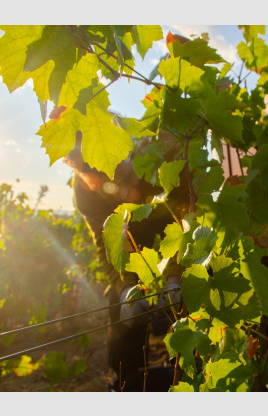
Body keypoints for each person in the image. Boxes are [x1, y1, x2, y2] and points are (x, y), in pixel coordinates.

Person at [62, 121, 187, 392]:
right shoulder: (86, 193)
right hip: (133, 233)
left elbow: (189, 215)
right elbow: (107, 247)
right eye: (105, 186)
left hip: (173, 219)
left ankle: (191, 373)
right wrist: (126, 289)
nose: (122, 193)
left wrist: (177, 274)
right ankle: (127, 382)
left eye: (123, 180)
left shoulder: (165, 146)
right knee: (120, 306)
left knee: (193, 293)